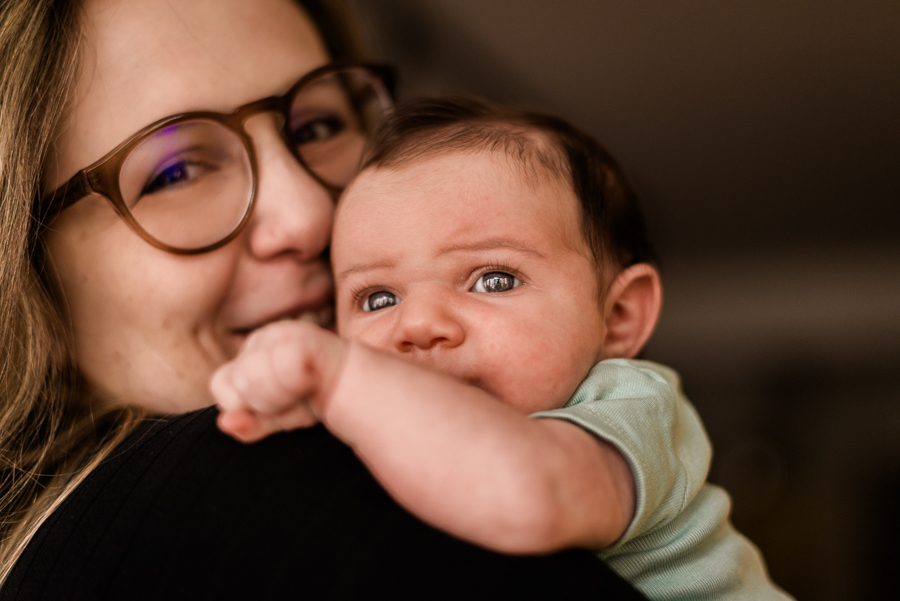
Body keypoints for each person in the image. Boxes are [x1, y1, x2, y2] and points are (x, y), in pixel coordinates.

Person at [0, 0, 648, 598]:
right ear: (29, 292)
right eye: (176, 172)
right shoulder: (284, 487)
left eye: (318, 126)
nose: (309, 215)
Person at [212, 97, 795, 600]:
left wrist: (339, 381)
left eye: (494, 279)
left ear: (618, 317)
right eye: (377, 297)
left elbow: (529, 495)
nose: (417, 324)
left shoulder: (630, 405)